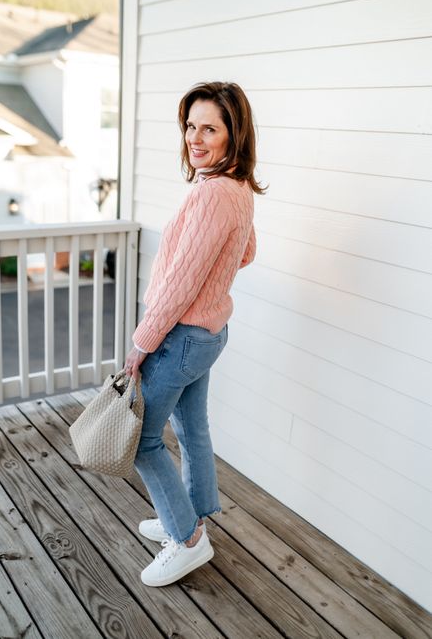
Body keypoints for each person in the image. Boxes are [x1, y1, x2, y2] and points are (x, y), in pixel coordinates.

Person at [124, 81, 265, 587]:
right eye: (190, 125)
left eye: (210, 128)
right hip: (209, 332)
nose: (196, 138)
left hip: (181, 336)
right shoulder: (238, 188)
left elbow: (179, 284)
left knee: (141, 441)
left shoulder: (213, 193)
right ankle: (187, 515)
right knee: (191, 428)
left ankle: (186, 540)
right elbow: (244, 253)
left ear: (233, 134)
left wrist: (142, 343)